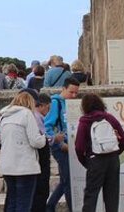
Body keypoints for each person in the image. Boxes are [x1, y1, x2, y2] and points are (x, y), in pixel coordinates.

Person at [75, 94, 124, 212]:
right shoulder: (110, 118)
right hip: (113, 160)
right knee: (112, 195)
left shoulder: (85, 121)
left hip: (95, 160)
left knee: (91, 195)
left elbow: (79, 147)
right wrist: (115, 153)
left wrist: (87, 161)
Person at [0, 92, 46, 212]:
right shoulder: (27, 114)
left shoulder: (4, 116)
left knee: (12, 201)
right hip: (25, 166)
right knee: (24, 203)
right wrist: (44, 137)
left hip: (7, 166)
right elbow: (36, 141)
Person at [44, 77, 80, 212]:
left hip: (69, 145)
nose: (74, 95)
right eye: (71, 92)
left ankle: (50, 206)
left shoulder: (69, 104)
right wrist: (59, 143)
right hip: (61, 146)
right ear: (63, 88)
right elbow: (47, 126)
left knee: (66, 179)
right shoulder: (56, 103)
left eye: (76, 93)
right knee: (68, 181)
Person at [31, 93, 53, 212]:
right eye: (48, 107)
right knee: (41, 191)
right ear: (43, 105)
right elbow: (42, 137)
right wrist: (54, 138)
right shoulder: (36, 117)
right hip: (40, 157)